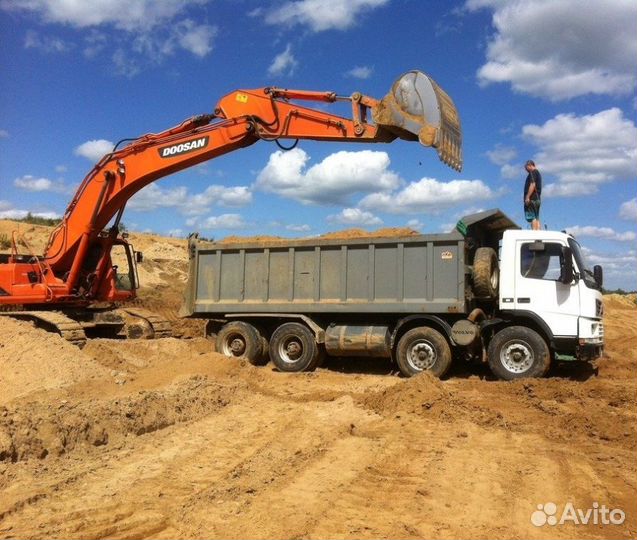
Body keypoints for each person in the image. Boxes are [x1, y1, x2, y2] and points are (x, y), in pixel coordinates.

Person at [523, 160, 542, 230]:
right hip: (537, 199)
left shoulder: (533, 173)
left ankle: (534, 233)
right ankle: (538, 234)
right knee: (537, 217)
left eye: (526, 168)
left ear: (530, 165)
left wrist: (527, 197)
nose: (526, 170)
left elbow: (532, 184)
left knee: (532, 217)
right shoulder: (538, 173)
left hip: (532, 199)